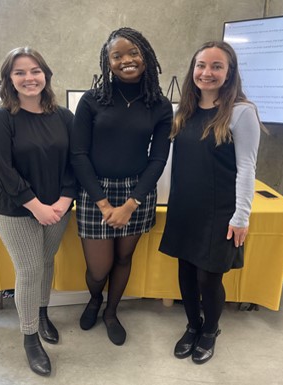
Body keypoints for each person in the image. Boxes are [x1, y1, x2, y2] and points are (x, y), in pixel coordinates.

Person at [159, 41, 262, 364]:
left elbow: (247, 167)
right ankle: (192, 325)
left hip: (220, 210)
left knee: (209, 276)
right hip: (185, 206)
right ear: (193, 70)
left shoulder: (241, 112)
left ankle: (210, 330)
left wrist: (241, 216)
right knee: (186, 271)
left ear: (229, 73)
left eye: (217, 66)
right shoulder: (184, 110)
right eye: (202, 65)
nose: (207, 72)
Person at [71, 27, 173, 346]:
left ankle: (111, 312)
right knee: (99, 269)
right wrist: (104, 204)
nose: (126, 60)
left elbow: (158, 159)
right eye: (117, 56)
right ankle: (94, 299)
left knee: (124, 259)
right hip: (94, 192)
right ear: (108, 62)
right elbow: (78, 154)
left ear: (146, 56)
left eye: (133, 53)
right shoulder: (92, 100)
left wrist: (131, 204)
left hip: (137, 194)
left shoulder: (159, 104)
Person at [0, 47, 77, 376]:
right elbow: (3, 170)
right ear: (9, 79)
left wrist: (64, 201)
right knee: (29, 268)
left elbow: (75, 161)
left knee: (46, 262)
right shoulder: (0, 119)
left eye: (35, 71)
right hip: (16, 209)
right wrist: (36, 206)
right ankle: (30, 336)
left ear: (46, 75)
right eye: (20, 72)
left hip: (57, 208)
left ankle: (42, 312)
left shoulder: (64, 116)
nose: (29, 78)